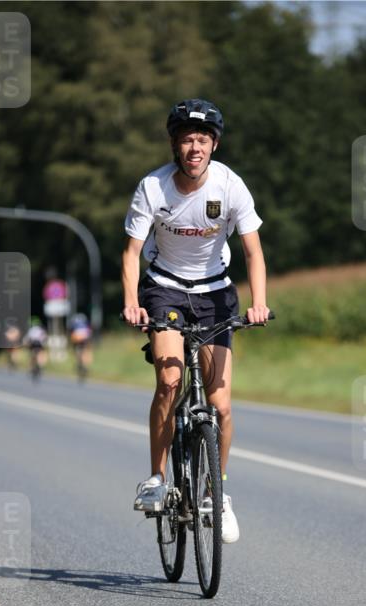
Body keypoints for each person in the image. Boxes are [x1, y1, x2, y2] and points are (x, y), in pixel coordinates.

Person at [122, 98, 270, 544]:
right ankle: (155, 478)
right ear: (175, 144)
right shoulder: (152, 188)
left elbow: (253, 252)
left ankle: (215, 493)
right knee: (169, 381)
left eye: (202, 140)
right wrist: (132, 301)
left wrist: (259, 303)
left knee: (221, 405)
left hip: (215, 293)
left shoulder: (230, 186)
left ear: (214, 144)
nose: (194, 148)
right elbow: (131, 253)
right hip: (164, 288)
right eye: (186, 139)